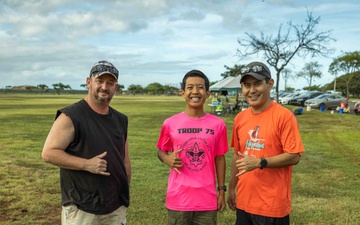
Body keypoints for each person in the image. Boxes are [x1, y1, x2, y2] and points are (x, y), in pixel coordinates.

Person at [42, 60, 131, 225]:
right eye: (100, 81)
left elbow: (124, 159)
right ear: (89, 82)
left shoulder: (121, 119)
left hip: (115, 208)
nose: (104, 87)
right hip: (82, 208)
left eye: (110, 83)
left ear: (115, 88)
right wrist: (86, 164)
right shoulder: (71, 116)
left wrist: (125, 192)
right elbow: (48, 153)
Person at [227, 61, 304, 225]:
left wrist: (260, 162)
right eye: (247, 85)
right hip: (244, 202)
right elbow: (237, 157)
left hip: (272, 206)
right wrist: (232, 188)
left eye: (257, 84)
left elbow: (294, 155)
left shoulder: (284, 116)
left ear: (270, 84)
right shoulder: (240, 118)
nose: (252, 90)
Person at [157, 69, 229, 225]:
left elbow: (220, 158)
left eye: (200, 87)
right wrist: (166, 158)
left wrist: (221, 191)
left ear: (208, 93)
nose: (195, 92)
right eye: (190, 87)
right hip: (179, 199)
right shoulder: (170, 123)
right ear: (183, 92)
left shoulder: (218, 125)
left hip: (207, 199)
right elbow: (161, 151)